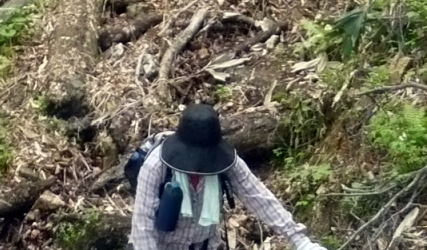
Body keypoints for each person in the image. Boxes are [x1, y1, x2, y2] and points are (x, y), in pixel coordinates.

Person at [130, 102, 328, 250]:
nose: (197, 167)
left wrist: (300, 240)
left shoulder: (223, 161)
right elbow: (142, 224)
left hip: (205, 244)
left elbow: (258, 196)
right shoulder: (157, 165)